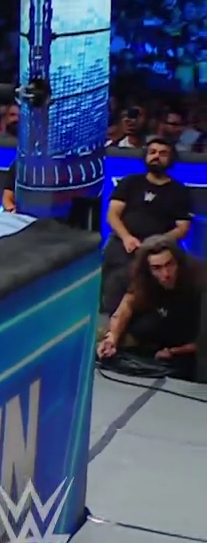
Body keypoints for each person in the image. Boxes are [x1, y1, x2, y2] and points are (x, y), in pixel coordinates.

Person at [99, 138, 192, 314]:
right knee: (113, 291)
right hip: (123, 245)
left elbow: (183, 228)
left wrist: (156, 243)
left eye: (163, 153)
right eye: (152, 152)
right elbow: (112, 215)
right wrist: (126, 237)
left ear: (171, 158)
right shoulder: (130, 182)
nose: (156, 156)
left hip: (157, 251)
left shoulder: (179, 191)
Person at [98, 242, 200, 380]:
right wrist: (112, 339)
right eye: (157, 268)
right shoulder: (145, 283)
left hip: (185, 349)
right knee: (96, 343)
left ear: (179, 263)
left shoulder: (196, 284)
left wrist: (173, 352)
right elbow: (124, 308)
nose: (166, 273)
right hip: (148, 341)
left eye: (169, 264)